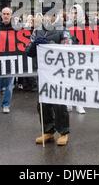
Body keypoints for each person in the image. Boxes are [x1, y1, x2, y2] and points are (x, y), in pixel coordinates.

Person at [27, 14, 71, 146]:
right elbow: (28, 52)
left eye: (51, 15)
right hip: (43, 72)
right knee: (43, 103)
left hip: (58, 72)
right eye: (46, 14)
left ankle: (64, 132)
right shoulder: (37, 31)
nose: (48, 18)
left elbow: (67, 49)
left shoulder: (62, 30)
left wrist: (50, 44)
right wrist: (34, 44)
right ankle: (48, 131)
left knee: (59, 103)